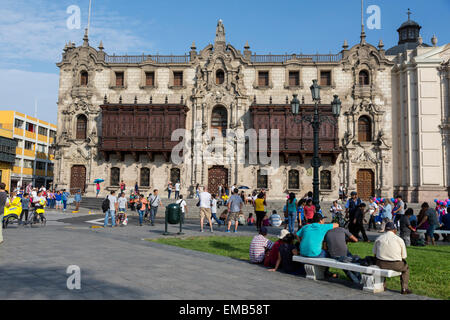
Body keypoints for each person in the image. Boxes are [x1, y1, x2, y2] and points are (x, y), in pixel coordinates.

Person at [372, 222, 412, 294]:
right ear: (394, 230)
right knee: (406, 268)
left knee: (379, 264)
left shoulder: (379, 238)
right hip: (395, 264)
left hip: (380, 263)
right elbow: (404, 256)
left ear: (385, 229)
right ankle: (404, 288)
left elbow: (374, 254)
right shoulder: (399, 239)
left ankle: (383, 285)